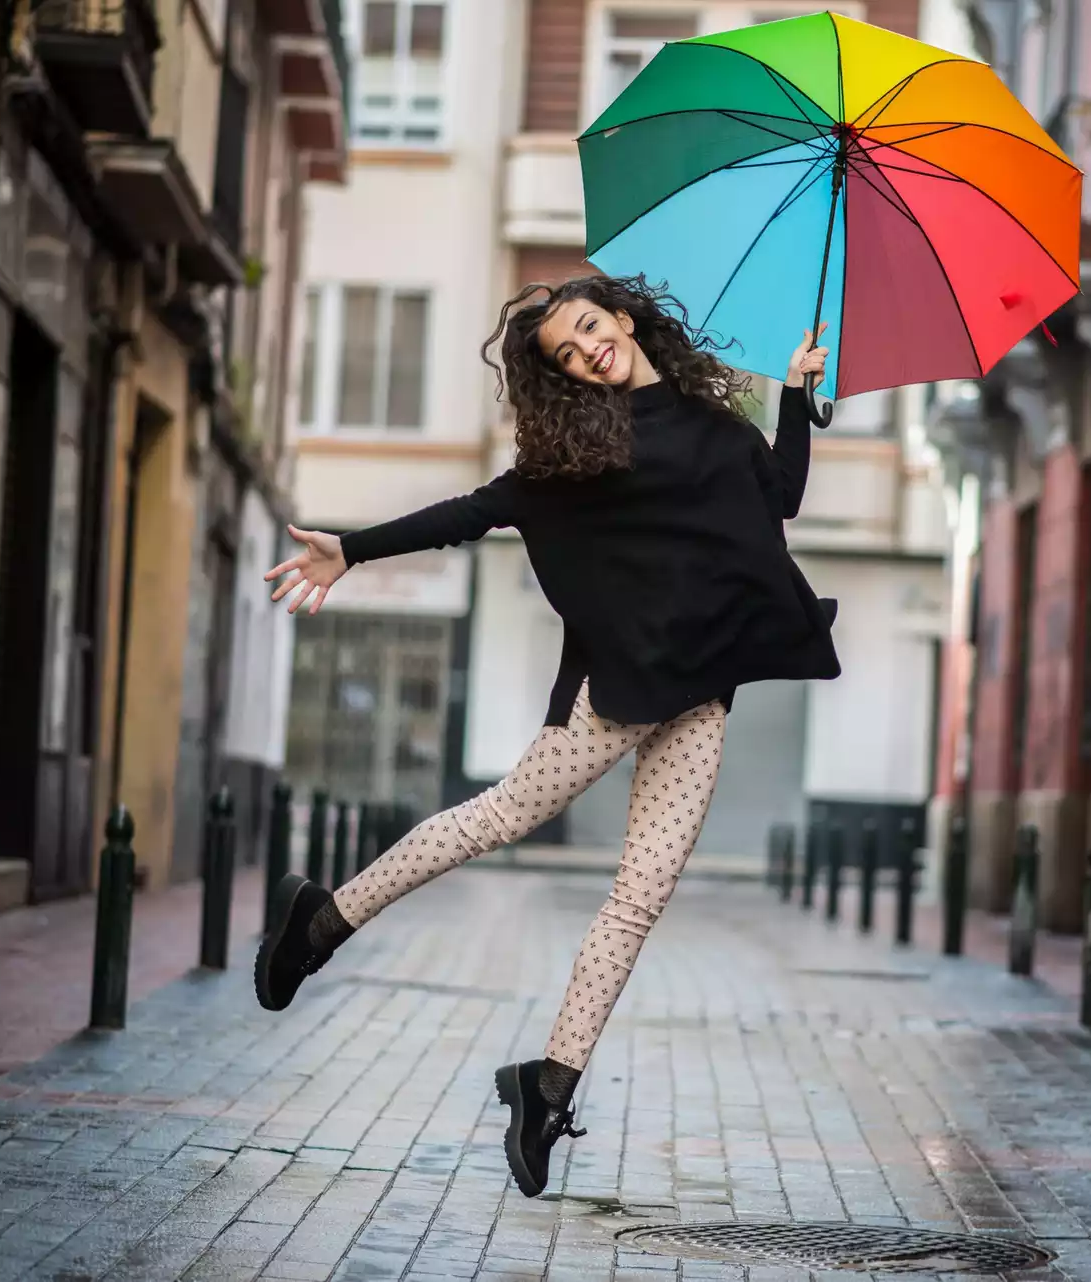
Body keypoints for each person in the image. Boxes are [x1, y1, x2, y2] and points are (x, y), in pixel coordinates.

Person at [255, 274, 840, 1199]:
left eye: (587, 330)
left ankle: (549, 1086)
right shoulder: (581, 454)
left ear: (623, 317)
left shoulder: (717, 425)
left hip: (700, 691)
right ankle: (322, 921)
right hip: (612, 692)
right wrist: (354, 548)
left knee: (641, 893)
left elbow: (782, 499)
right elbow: (474, 514)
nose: (586, 354)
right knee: (494, 820)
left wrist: (799, 398)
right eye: (566, 356)